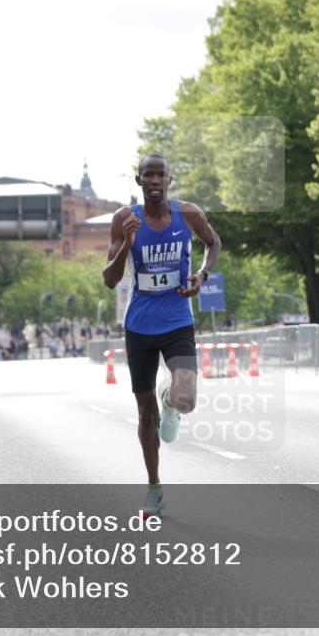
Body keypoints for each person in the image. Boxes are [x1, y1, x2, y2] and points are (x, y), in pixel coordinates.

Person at [102, 153, 221, 517]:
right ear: (138, 181)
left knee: (186, 398)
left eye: (161, 175)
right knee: (144, 412)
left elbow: (214, 243)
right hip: (138, 326)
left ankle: (171, 400)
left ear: (170, 180)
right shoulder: (125, 219)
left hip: (177, 321)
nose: (154, 180)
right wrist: (126, 243)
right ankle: (154, 486)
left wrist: (200, 277)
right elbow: (109, 280)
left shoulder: (189, 215)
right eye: (148, 175)